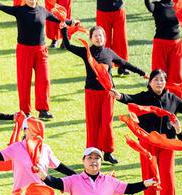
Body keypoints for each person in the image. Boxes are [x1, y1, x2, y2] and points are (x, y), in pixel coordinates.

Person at [114, 70, 182, 195]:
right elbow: (130, 98)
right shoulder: (144, 96)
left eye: (162, 80)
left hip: (167, 143)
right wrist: (120, 96)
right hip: (147, 142)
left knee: (167, 175)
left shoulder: (172, 99)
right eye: (156, 80)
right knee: (149, 174)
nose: (159, 83)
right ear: (150, 82)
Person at [61, 25, 147, 165]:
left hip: (108, 93)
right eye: (95, 35)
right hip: (91, 93)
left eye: (101, 35)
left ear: (105, 38)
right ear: (90, 39)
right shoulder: (86, 52)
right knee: (93, 122)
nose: (98, 38)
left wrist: (142, 72)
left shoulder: (109, 53)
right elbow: (68, 46)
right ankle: (92, 152)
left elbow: (124, 63)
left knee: (106, 123)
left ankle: (107, 152)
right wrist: (64, 30)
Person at [0, 0, 66, 119]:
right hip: (24, 50)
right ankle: (25, 111)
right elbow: (3, 7)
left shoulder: (43, 11)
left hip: (41, 50)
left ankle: (43, 109)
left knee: (44, 79)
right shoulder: (19, 10)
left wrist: (71, 22)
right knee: (24, 80)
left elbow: (58, 19)